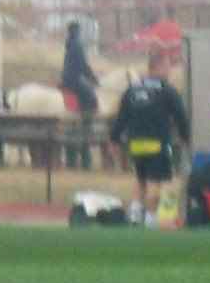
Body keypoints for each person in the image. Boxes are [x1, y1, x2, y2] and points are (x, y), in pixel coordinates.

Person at [111, 52, 188, 224]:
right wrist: (185, 137)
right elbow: (180, 116)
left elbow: (121, 117)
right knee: (155, 182)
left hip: (136, 145)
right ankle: (151, 219)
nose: (170, 71)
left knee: (140, 180)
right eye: (168, 66)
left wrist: (114, 139)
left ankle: (135, 215)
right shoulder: (167, 91)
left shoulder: (132, 89)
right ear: (158, 67)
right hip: (157, 144)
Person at [56, 18, 100, 170]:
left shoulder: (69, 43)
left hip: (67, 77)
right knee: (92, 96)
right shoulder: (77, 45)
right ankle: (87, 116)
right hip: (74, 79)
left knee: (87, 88)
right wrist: (93, 78)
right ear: (77, 31)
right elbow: (83, 65)